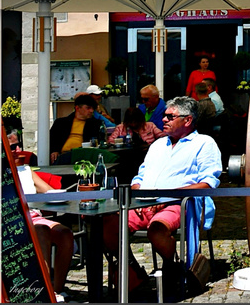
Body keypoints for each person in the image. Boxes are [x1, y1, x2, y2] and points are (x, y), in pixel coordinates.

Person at [102, 96, 222, 300]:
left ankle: (171, 267)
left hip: (180, 203)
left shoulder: (204, 143)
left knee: (157, 228)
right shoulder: (158, 145)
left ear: (187, 120)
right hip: (143, 203)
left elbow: (208, 182)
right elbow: (139, 176)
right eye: (165, 116)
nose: (163, 119)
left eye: (170, 116)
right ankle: (132, 268)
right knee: (108, 223)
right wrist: (137, 194)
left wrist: (167, 198)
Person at [16, 163, 75, 302]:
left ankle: (57, 290)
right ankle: (46, 292)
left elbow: (49, 192)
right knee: (42, 231)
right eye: (13, 147)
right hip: (15, 221)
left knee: (65, 234)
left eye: (19, 146)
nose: (18, 150)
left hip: (34, 216)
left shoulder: (25, 171)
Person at [49, 93, 103, 163]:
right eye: (88, 108)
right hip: (62, 156)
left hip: (83, 156)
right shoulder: (61, 123)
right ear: (77, 108)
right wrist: (54, 151)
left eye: (93, 108)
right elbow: (51, 140)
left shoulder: (95, 124)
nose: (91, 111)